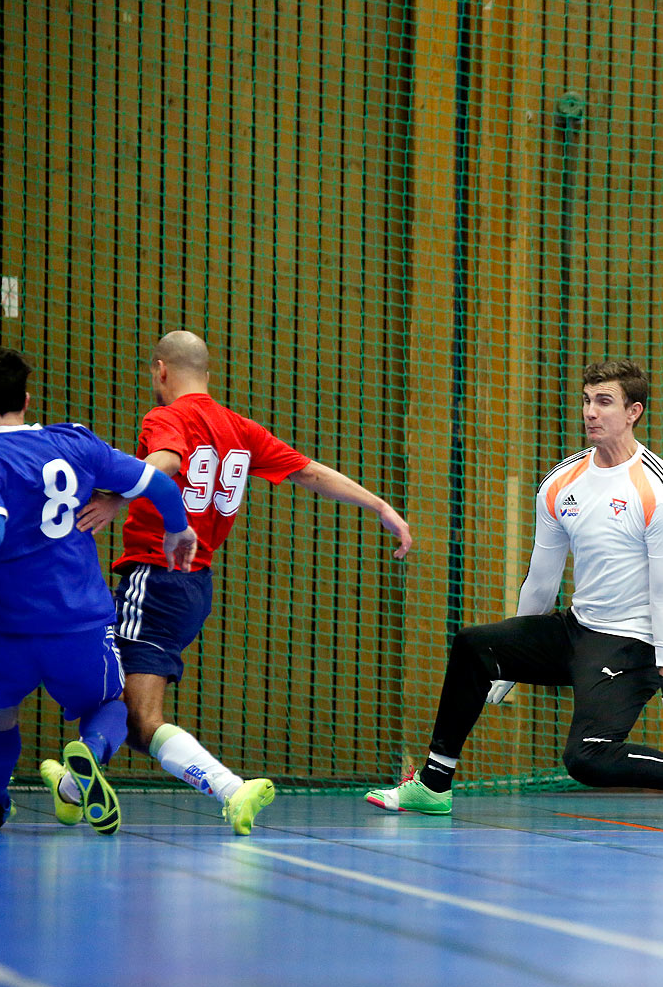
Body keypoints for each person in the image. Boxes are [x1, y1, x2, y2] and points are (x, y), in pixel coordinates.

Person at [56, 329, 413, 836]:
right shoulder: (238, 428)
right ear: (208, 372)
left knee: (137, 716)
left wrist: (115, 491)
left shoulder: (166, 417)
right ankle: (73, 785)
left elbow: (165, 462)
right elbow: (309, 472)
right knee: (122, 704)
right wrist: (379, 505)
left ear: (160, 369)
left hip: (154, 576)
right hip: (195, 586)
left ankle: (229, 788)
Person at [366, 360, 663, 821]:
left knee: (587, 760)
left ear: (634, 411)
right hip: (576, 630)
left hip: (631, 644)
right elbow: (542, 577)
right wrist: (507, 657)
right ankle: (433, 785)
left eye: (604, 402)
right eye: (587, 401)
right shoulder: (561, 482)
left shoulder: (656, 489)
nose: (591, 412)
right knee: (475, 645)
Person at [0, 346, 198, 834]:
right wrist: (177, 528)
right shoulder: (76, 443)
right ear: (26, 397)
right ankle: (89, 754)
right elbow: (161, 485)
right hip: (77, 621)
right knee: (108, 706)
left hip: (2, 628)